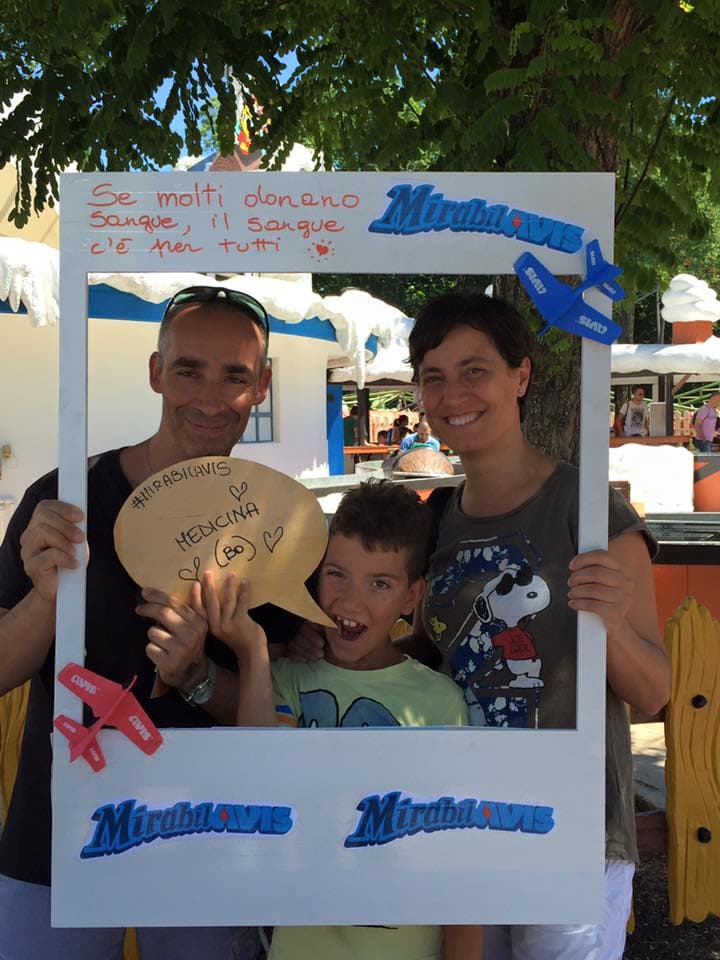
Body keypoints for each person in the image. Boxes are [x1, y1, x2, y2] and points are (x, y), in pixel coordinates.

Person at [0, 285, 300, 960]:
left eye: (235, 377)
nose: (211, 399)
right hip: (55, 842)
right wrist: (46, 598)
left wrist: (198, 676)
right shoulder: (65, 499)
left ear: (262, 386)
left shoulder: (278, 523)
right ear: (156, 372)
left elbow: (278, 717)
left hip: (207, 845)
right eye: (189, 370)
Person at [406, 289, 670, 960]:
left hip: (571, 828)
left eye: (475, 370)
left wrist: (611, 624)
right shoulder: (434, 520)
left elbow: (654, 692)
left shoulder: (590, 512)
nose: (453, 394)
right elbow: (426, 662)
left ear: (520, 376)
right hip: (459, 817)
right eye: (434, 377)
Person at [199, 481, 482, 960]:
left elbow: (458, 856)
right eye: (337, 575)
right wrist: (252, 651)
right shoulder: (286, 679)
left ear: (412, 596)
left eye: (380, 584)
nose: (351, 602)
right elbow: (258, 782)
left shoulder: (440, 703)